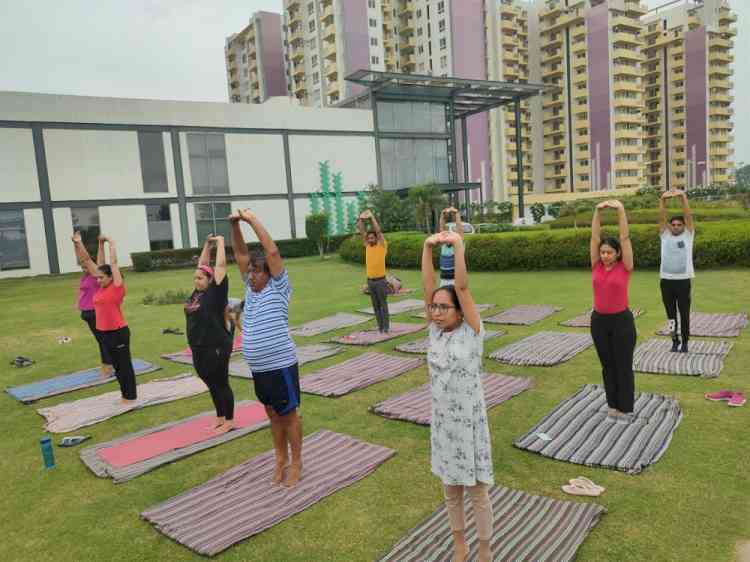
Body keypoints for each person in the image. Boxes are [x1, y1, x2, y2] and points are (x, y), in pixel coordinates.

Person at [421, 230, 494, 562]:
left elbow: (461, 287)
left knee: (478, 494)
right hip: (444, 426)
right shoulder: (434, 333)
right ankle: (459, 544)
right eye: (434, 307)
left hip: (470, 426)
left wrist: (458, 245)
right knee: (451, 493)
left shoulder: (473, 332)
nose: (436, 312)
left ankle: (484, 549)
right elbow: (428, 286)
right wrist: (426, 248)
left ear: (460, 312)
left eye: (443, 307)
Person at [230, 208, 302, 487]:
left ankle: (296, 462)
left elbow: (271, 252)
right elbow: (239, 254)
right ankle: (280, 459)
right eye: (249, 273)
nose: (250, 277)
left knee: (289, 414)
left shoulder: (279, 288)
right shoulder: (250, 291)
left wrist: (251, 220)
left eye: (256, 272)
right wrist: (235, 226)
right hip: (259, 368)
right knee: (271, 412)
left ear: (269, 275)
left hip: (281, 365)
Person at [72, 232, 137, 403]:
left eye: (101, 277)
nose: (98, 280)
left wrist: (111, 244)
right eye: (98, 277)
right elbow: (88, 261)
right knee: (116, 367)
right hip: (105, 333)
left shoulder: (116, 288)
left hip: (118, 332)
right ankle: (124, 395)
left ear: (111, 277)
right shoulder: (101, 288)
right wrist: (79, 243)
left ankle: (130, 396)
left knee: (124, 366)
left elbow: (113, 264)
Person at [589, 200, 636, 420]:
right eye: (603, 252)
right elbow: (594, 238)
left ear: (617, 253)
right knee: (607, 365)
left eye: (609, 252)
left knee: (623, 365)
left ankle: (625, 407)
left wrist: (620, 210)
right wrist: (597, 213)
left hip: (622, 322)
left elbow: (625, 238)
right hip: (599, 322)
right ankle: (613, 405)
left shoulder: (625, 267)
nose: (605, 255)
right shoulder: (596, 265)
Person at [185, 234, 235, 435]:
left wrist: (221, 243)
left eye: (200, 278)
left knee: (220, 383)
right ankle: (220, 417)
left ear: (210, 279)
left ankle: (229, 420)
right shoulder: (196, 294)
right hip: (198, 346)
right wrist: (207, 244)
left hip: (216, 345)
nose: (196, 281)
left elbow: (220, 267)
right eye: (195, 278)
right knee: (209, 381)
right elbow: (203, 264)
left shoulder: (216, 293)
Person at [658, 189, 695, 352]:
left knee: (684, 313)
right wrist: (663, 201)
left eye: (679, 225)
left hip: (683, 281)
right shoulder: (665, 235)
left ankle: (685, 341)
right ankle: (674, 340)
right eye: (673, 225)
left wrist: (683, 197)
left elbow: (688, 216)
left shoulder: (688, 235)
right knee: (671, 315)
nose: (676, 227)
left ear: (684, 226)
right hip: (666, 281)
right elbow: (661, 217)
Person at [76, 235, 113, 377]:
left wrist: (81, 243)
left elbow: (91, 260)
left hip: (95, 312)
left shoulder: (95, 276)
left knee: (103, 340)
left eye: (86, 266)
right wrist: (76, 245)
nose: (84, 267)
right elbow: (83, 259)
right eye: (83, 266)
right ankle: (108, 365)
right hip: (87, 312)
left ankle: (107, 367)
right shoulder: (86, 276)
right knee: (101, 340)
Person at [356, 210, 389, 333]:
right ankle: (380, 327)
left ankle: (386, 327)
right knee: (375, 307)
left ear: (376, 238)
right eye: (368, 238)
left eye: (372, 237)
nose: (370, 239)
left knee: (383, 305)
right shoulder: (367, 246)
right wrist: (360, 218)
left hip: (381, 281)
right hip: (370, 281)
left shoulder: (382, 245)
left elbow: (378, 231)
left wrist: (371, 217)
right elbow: (361, 230)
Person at [438, 206, 464, 287]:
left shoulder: (458, 246)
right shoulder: (444, 245)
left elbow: (459, 228)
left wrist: (456, 213)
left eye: (450, 235)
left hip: (455, 280)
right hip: (443, 280)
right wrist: (442, 214)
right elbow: (442, 227)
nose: (447, 237)